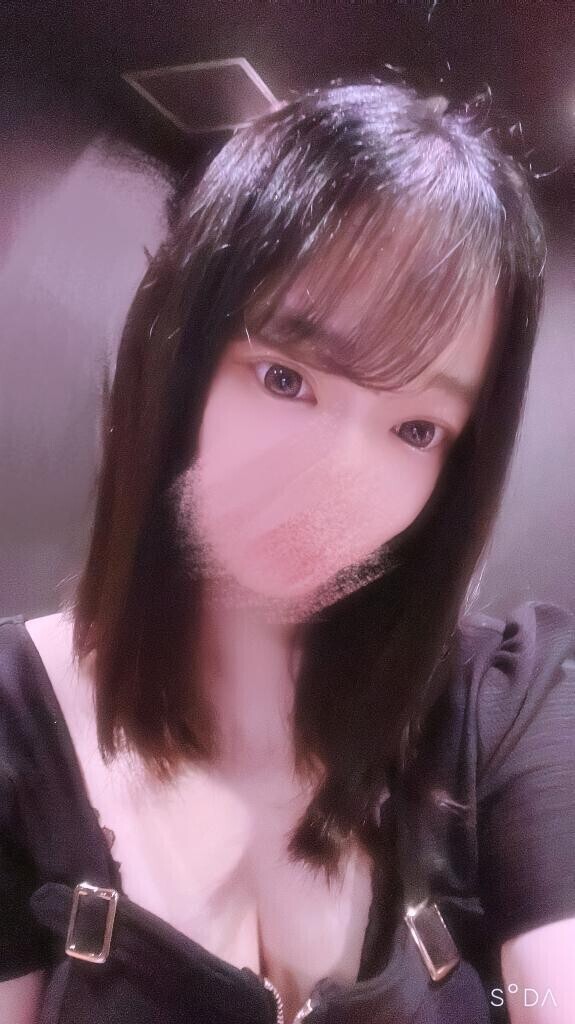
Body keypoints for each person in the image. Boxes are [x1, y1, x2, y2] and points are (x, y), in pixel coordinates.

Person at [1, 77, 574, 1024]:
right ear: (175, 363)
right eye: (285, 377)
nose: (336, 484)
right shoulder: (17, 724)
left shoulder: (501, 706)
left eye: (416, 430)